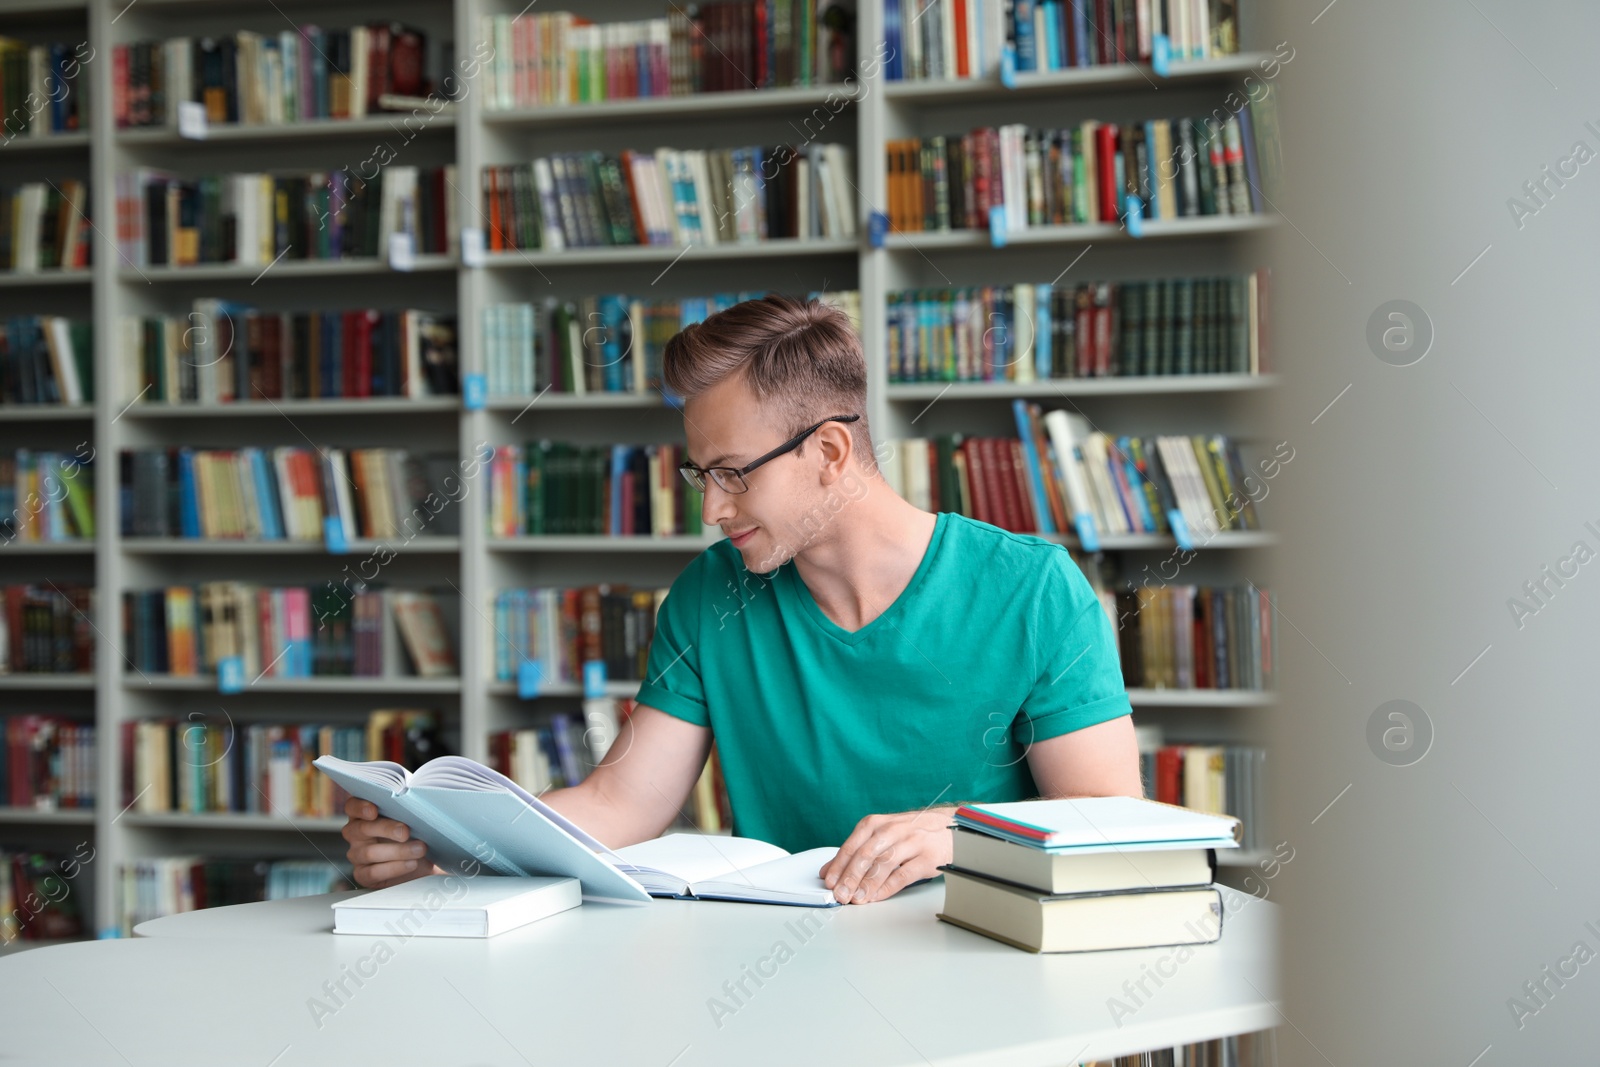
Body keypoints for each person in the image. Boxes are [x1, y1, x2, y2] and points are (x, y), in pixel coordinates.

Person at [342, 294, 1141, 904]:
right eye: (701, 476)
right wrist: (444, 846)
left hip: (986, 958)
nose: (711, 510)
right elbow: (620, 800)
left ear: (828, 450)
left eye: (732, 473)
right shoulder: (705, 596)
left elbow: (1113, 819)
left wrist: (957, 831)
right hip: (788, 972)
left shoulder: (1033, 589)